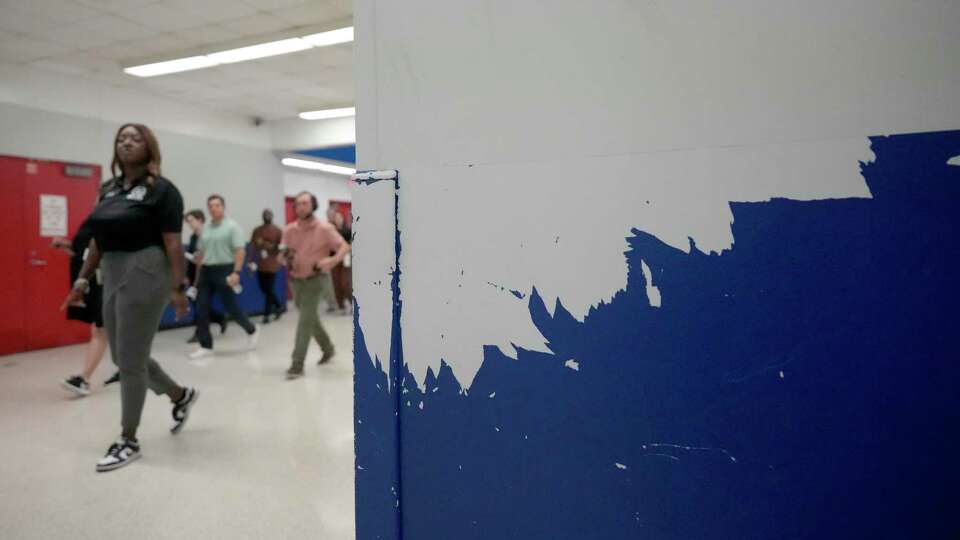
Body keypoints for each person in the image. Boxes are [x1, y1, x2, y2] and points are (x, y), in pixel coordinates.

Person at [63, 123, 198, 472]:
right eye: (121, 138)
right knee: (124, 357)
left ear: (149, 148)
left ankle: (128, 438)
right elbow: (97, 239)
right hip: (112, 270)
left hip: (148, 269)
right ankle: (180, 396)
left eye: (135, 138)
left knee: (131, 360)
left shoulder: (163, 191)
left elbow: (172, 242)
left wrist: (178, 287)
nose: (126, 143)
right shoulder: (108, 189)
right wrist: (82, 279)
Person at [281, 191, 349, 379]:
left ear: (313, 205)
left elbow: (344, 246)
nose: (300, 207)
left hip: (316, 280)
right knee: (310, 319)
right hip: (296, 281)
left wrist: (332, 261)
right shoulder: (289, 230)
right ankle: (328, 349)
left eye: (304, 203)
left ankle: (297, 364)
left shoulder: (324, 228)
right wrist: (283, 258)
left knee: (304, 322)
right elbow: (282, 254)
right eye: (297, 204)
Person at [51, 219, 119, 395]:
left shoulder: (115, 221)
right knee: (106, 329)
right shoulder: (92, 222)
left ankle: (84, 379)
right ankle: (127, 370)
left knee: (100, 329)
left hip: (109, 281)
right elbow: (83, 252)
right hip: (93, 282)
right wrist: (65, 245)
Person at [188, 195, 259, 359]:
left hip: (225, 269)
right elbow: (202, 251)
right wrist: (197, 263)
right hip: (206, 270)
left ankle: (252, 330)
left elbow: (240, 251)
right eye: (211, 206)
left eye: (217, 205)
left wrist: (236, 272)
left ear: (223, 207)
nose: (214, 208)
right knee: (201, 308)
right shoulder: (205, 228)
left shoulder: (232, 227)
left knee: (231, 307)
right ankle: (206, 346)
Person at [183, 209, 227, 342]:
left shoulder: (206, 236)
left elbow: (202, 261)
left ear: (200, 220)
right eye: (188, 221)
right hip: (193, 274)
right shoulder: (193, 237)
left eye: (191, 221)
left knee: (200, 306)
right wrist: (187, 276)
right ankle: (219, 318)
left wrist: (196, 282)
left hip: (205, 275)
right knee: (199, 304)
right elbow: (193, 258)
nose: (189, 224)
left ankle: (200, 333)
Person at [249, 208, 284, 324]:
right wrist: (250, 261)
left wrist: (269, 246)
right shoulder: (257, 230)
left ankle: (267, 314)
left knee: (269, 289)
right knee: (264, 288)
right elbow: (253, 246)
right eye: (265, 215)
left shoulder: (278, 230)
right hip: (260, 263)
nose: (267, 216)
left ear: (272, 216)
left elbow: (282, 246)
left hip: (272, 263)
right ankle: (279, 306)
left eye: (269, 215)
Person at [329, 210, 353, 315]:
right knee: (336, 284)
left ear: (343, 219)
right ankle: (341, 306)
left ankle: (352, 303)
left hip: (345, 258)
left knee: (345, 283)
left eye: (340, 217)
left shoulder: (348, 230)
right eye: (336, 218)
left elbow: (351, 244)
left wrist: (345, 249)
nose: (338, 219)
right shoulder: (331, 231)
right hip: (333, 259)